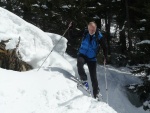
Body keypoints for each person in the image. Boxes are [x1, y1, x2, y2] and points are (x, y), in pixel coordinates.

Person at [76, 22, 107, 99]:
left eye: (93, 28)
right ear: (88, 27)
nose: (92, 30)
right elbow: (72, 36)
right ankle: (84, 81)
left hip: (92, 58)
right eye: (90, 28)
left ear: (96, 28)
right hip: (82, 55)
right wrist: (69, 28)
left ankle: (96, 94)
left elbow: (105, 46)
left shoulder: (99, 36)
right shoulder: (85, 32)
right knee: (79, 63)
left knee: (93, 77)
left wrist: (105, 57)